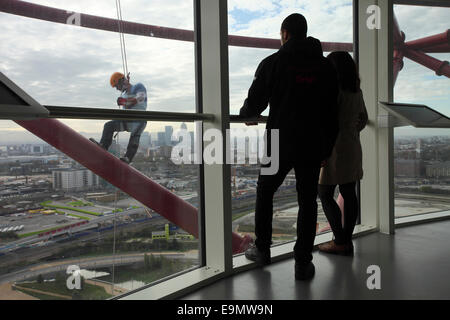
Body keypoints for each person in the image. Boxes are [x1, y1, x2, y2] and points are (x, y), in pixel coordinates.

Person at [239, 13, 339, 280]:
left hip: (279, 141)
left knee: (265, 191)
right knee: (307, 200)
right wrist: (326, 148)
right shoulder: (325, 67)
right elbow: (333, 112)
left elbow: (256, 102)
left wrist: (246, 113)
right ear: (305, 34)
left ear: (284, 34)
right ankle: (303, 262)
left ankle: (262, 249)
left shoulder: (274, 62)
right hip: (313, 142)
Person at [318, 51, 368, 256]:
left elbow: (325, 121)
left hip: (333, 148)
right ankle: (346, 240)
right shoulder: (357, 91)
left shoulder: (332, 90)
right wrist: (351, 130)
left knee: (324, 193)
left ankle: (340, 241)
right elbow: (363, 119)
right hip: (352, 145)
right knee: (349, 192)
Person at [91, 72, 147, 164]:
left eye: (117, 86)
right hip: (129, 120)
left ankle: (128, 158)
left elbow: (140, 98)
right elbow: (129, 102)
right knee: (109, 126)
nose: (117, 89)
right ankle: (104, 146)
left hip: (139, 119)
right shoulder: (125, 93)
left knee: (134, 138)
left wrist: (125, 101)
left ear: (121, 81)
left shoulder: (139, 86)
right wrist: (124, 101)